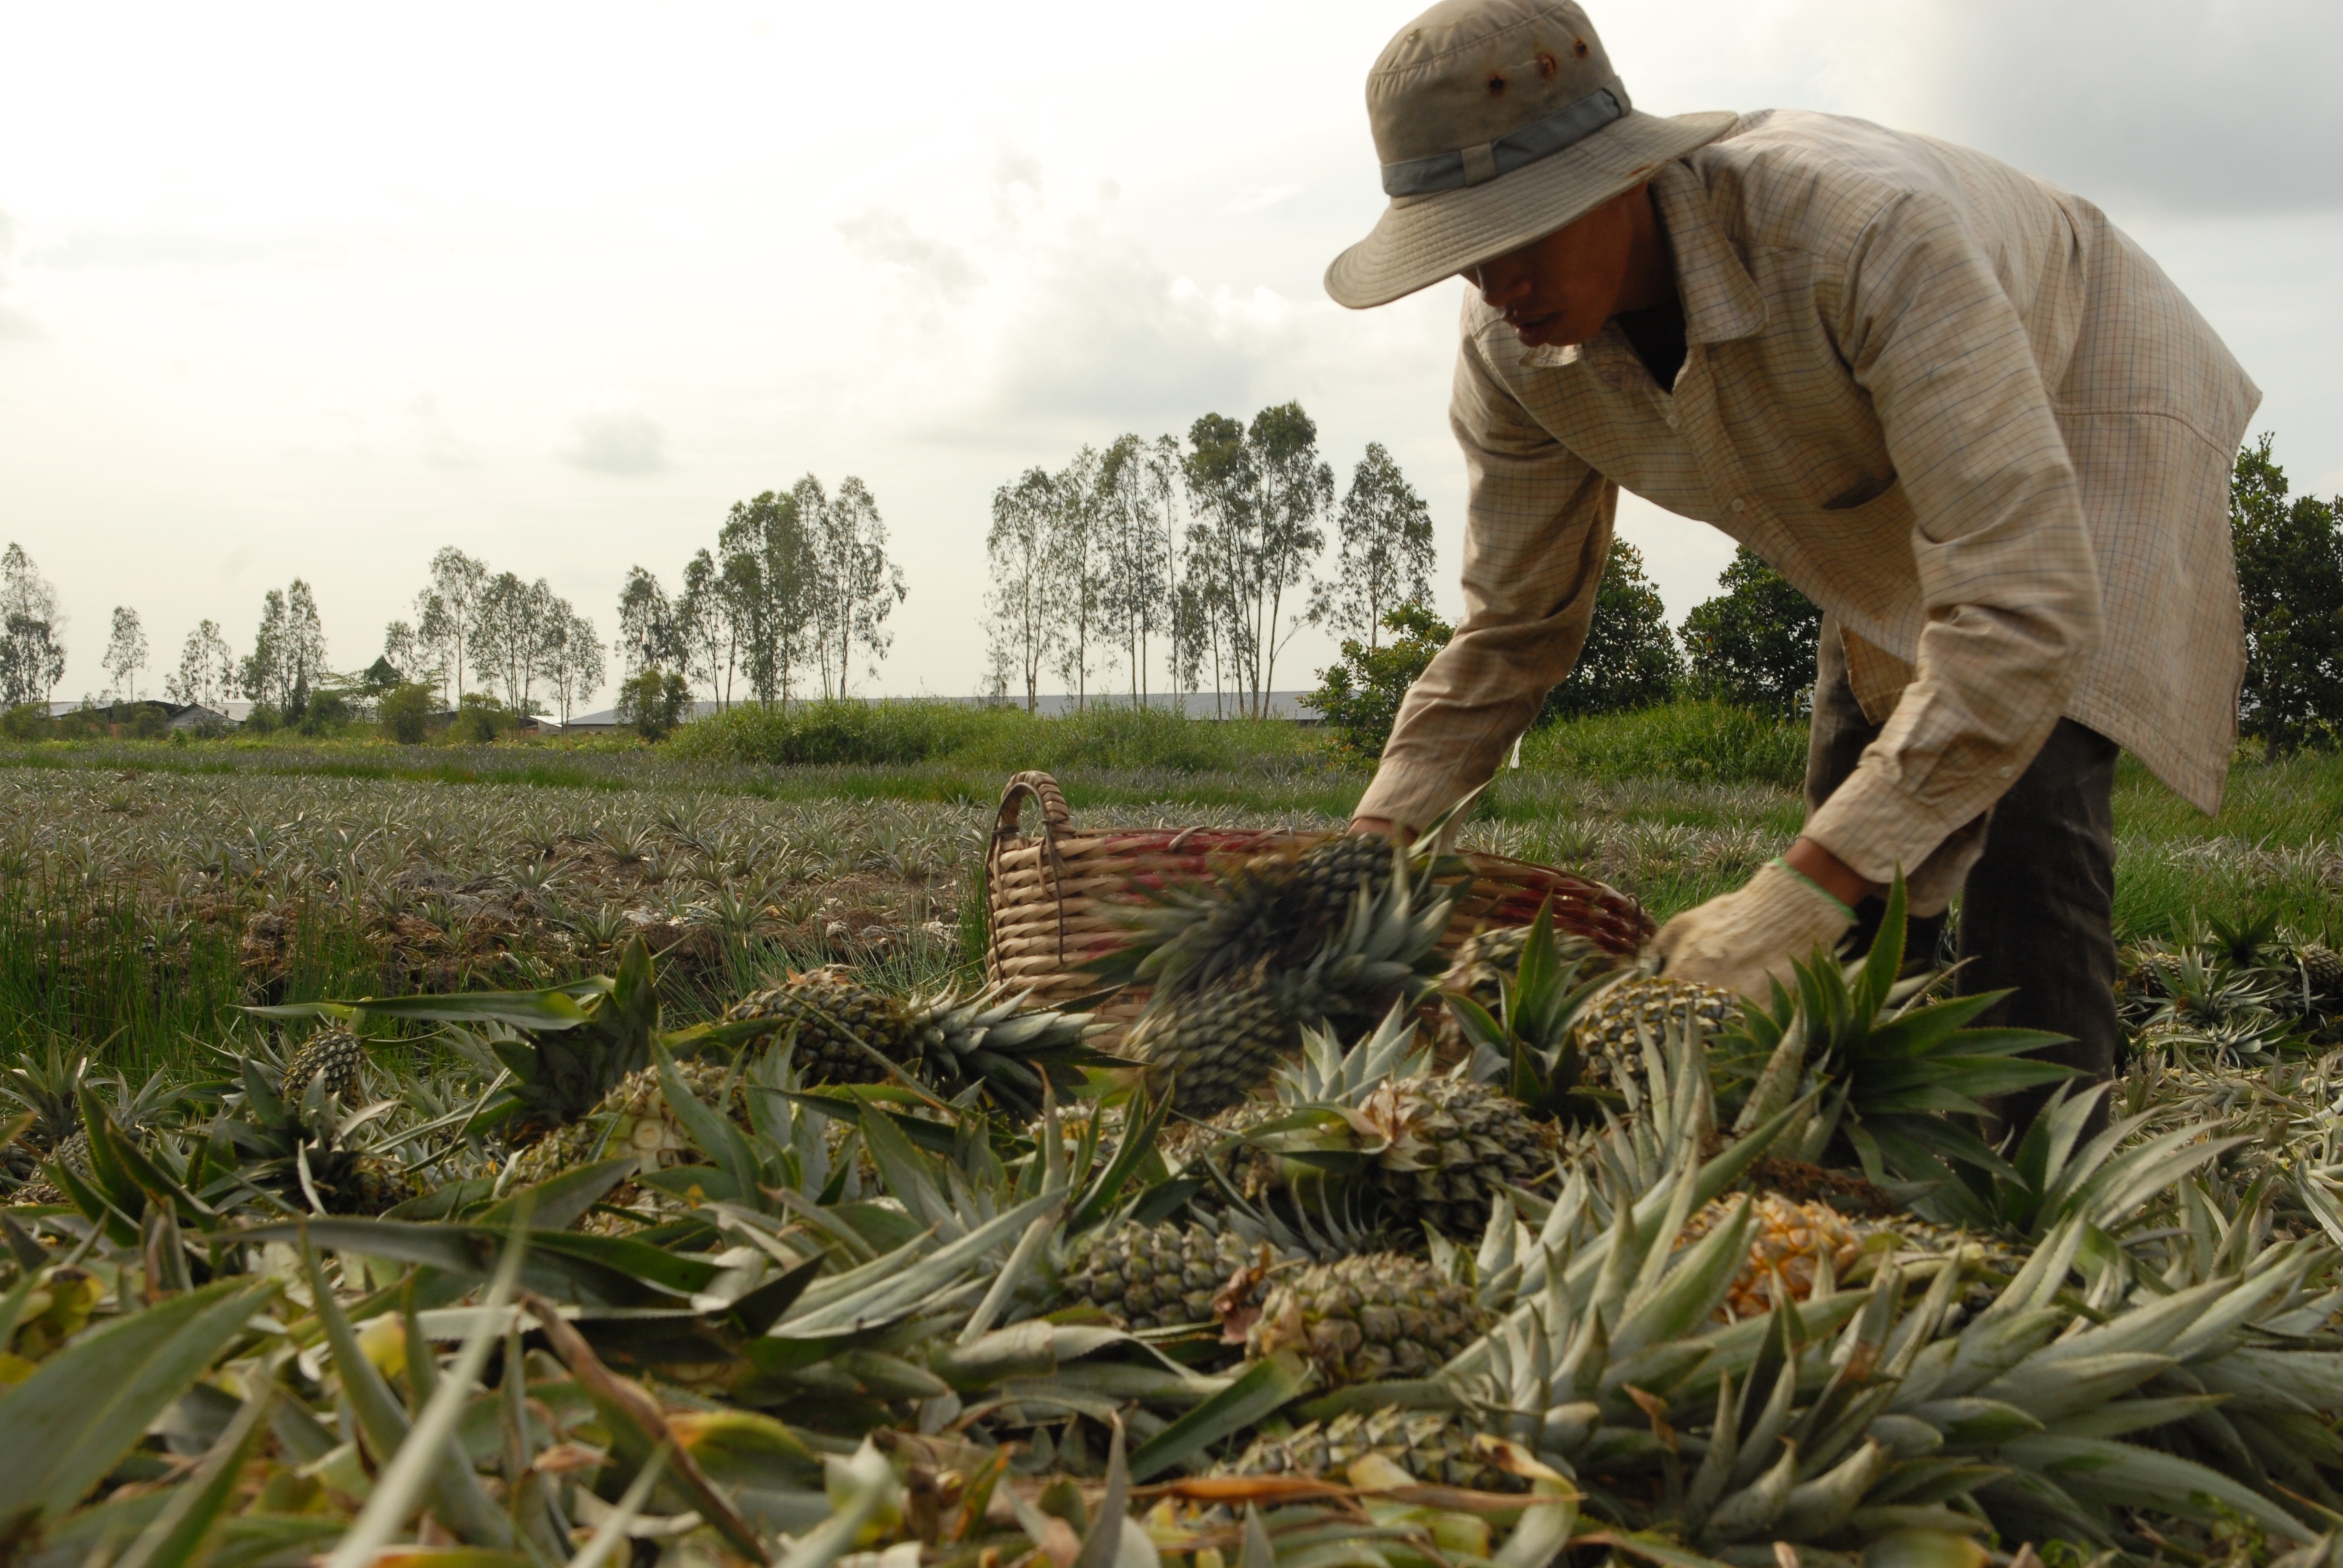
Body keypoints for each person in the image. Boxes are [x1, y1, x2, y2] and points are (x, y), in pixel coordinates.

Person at [1334, 0, 2258, 1119]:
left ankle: (2044, 1175)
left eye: (1515, 233)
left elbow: (2019, 604)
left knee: (2024, 790)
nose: (1494, 284)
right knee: (1854, 777)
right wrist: (1371, 845)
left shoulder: (1864, 237)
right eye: (1462, 254)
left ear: (1619, 179)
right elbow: (1513, 627)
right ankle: (1870, 1137)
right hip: (1869, 476)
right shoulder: (1515, 356)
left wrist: (1804, 887)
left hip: (2078, 382)